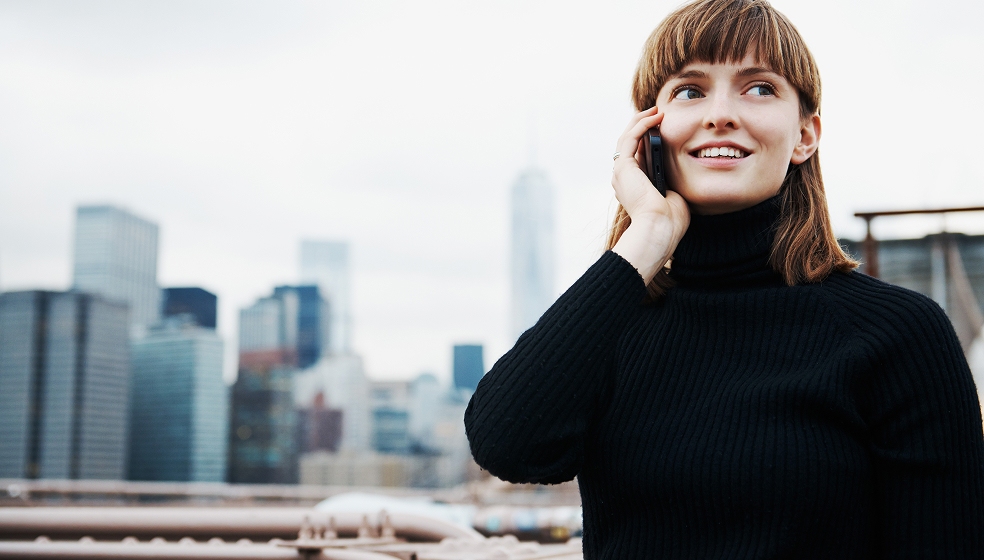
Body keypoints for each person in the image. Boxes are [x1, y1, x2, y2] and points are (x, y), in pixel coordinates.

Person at [464, 0, 984, 558]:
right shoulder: (610, 321)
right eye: (689, 90)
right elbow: (507, 444)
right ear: (649, 134)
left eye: (759, 87)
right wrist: (645, 239)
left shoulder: (899, 334)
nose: (720, 114)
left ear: (805, 136)